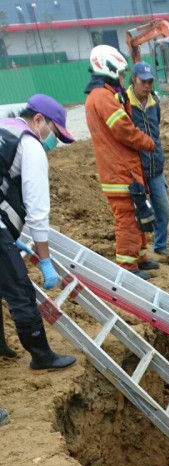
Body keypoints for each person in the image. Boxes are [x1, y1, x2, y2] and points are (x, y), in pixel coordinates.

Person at [0, 95, 77, 371]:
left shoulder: (6, 127)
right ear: (39, 120)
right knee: (20, 290)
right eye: (55, 133)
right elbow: (37, 211)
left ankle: (1, 345)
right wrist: (45, 262)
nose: (53, 141)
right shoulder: (31, 145)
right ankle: (41, 355)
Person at [85, 45, 159, 279]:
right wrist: (147, 142)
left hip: (124, 170)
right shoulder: (103, 98)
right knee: (127, 217)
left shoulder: (104, 95)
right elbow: (124, 130)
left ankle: (139, 257)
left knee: (137, 212)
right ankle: (127, 267)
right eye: (120, 74)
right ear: (108, 70)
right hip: (119, 172)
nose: (123, 78)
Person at [127, 62, 169, 259]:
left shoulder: (154, 102)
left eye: (150, 81)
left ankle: (160, 244)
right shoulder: (125, 104)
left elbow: (157, 130)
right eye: (143, 81)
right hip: (136, 169)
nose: (147, 85)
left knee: (163, 210)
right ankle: (139, 252)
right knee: (140, 213)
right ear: (133, 79)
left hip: (156, 167)